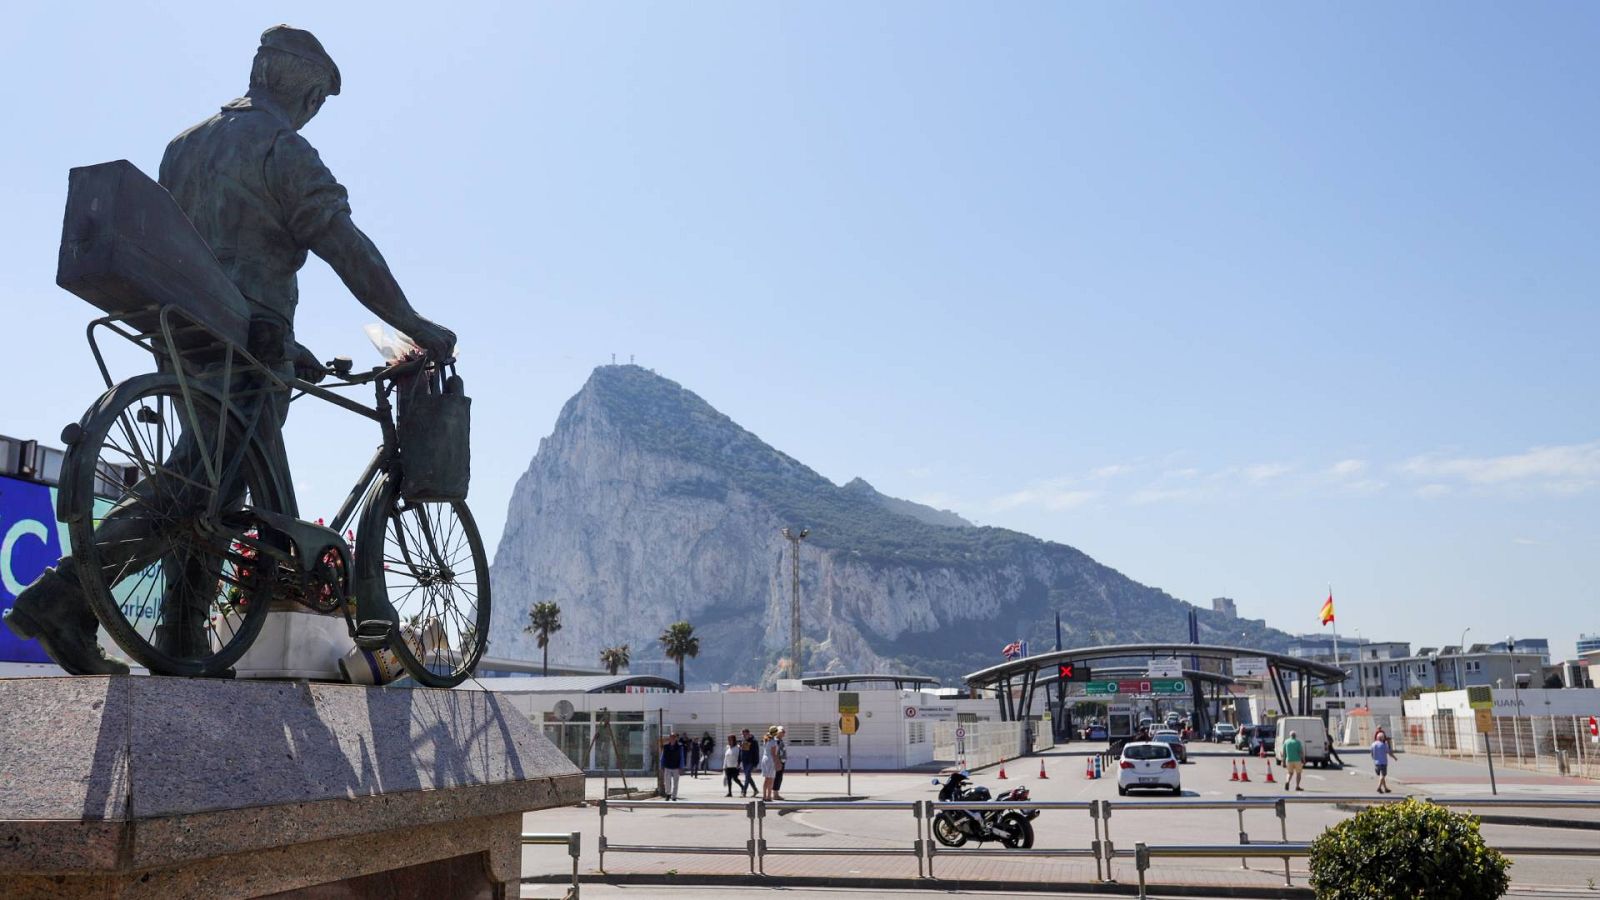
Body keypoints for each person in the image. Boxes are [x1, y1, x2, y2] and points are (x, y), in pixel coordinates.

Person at [2, 25, 456, 674]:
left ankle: (185, 641)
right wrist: (412, 321)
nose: (313, 113)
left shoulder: (184, 148)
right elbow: (346, 249)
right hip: (248, 349)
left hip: (186, 332)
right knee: (201, 485)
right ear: (299, 87)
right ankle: (63, 594)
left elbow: (215, 258)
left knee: (209, 489)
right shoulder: (282, 150)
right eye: (317, 99)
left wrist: (287, 341)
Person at [660, 733, 683, 800]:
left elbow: (681, 757)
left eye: (674, 737)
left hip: (676, 767)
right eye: (671, 737)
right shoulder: (666, 746)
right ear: (669, 738)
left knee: (675, 782)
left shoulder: (679, 746)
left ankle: (674, 796)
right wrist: (662, 765)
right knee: (667, 782)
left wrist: (681, 767)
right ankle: (668, 794)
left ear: (675, 738)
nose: (672, 739)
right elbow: (663, 756)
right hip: (667, 766)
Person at [760, 726, 780, 801]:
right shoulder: (773, 741)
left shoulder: (766, 739)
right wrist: (778, 763)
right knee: (771, 779)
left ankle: (764, 796)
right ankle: (769, 796)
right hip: (770, 760)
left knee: (766, 778)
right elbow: (773, 754)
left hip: (764, 759)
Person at [738, 728, 760, 796]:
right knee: (748, 777)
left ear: (748, 733)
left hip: (751, 762)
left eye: (745, 734)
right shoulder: (743, 741)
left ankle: (744, 792)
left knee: (747, 776)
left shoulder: (754, 741)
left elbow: (756, 753)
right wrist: (739, 762)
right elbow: (741, 752)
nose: (743, 736)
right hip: (744, 762)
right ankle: (755, 790)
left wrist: (756, 764)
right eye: (742, 735)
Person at [1372, 728, 1394, 794]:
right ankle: (1378, 787)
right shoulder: (1384, 744)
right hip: (1383, 762)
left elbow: (1372, 753)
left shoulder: (1373, 744)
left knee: (1381, 775)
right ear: (1382, 738)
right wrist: (1395, 758)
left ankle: (1385, 788)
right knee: (1382, 775)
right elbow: (1389, 752)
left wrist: (1375, 759)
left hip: (1376, 762)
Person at [771, 725, 789, 800]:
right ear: (777, 733)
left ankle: (776, 793)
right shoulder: (776, 741)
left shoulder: (780, 741)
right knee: (777, 777)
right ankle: (775, 794)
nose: (783, 733)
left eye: (784, 732)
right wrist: (778, 762)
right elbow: (775, 753)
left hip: (781, 761)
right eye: (782, 732)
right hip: (778, 762)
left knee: (779, 777)